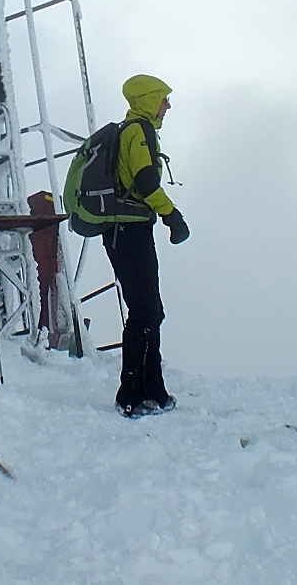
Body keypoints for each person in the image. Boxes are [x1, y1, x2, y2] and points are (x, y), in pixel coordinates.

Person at [105, 73, 190, 417]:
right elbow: (145, 182)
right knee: (146, 311)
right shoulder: (138, 132)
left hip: (126, 230)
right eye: (163, 98)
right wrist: (172, 215)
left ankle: (153, 390)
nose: (167, 106)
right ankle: (131, 397)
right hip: (129, 231)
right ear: (147, 99)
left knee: (150, 311)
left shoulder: (135, 130)